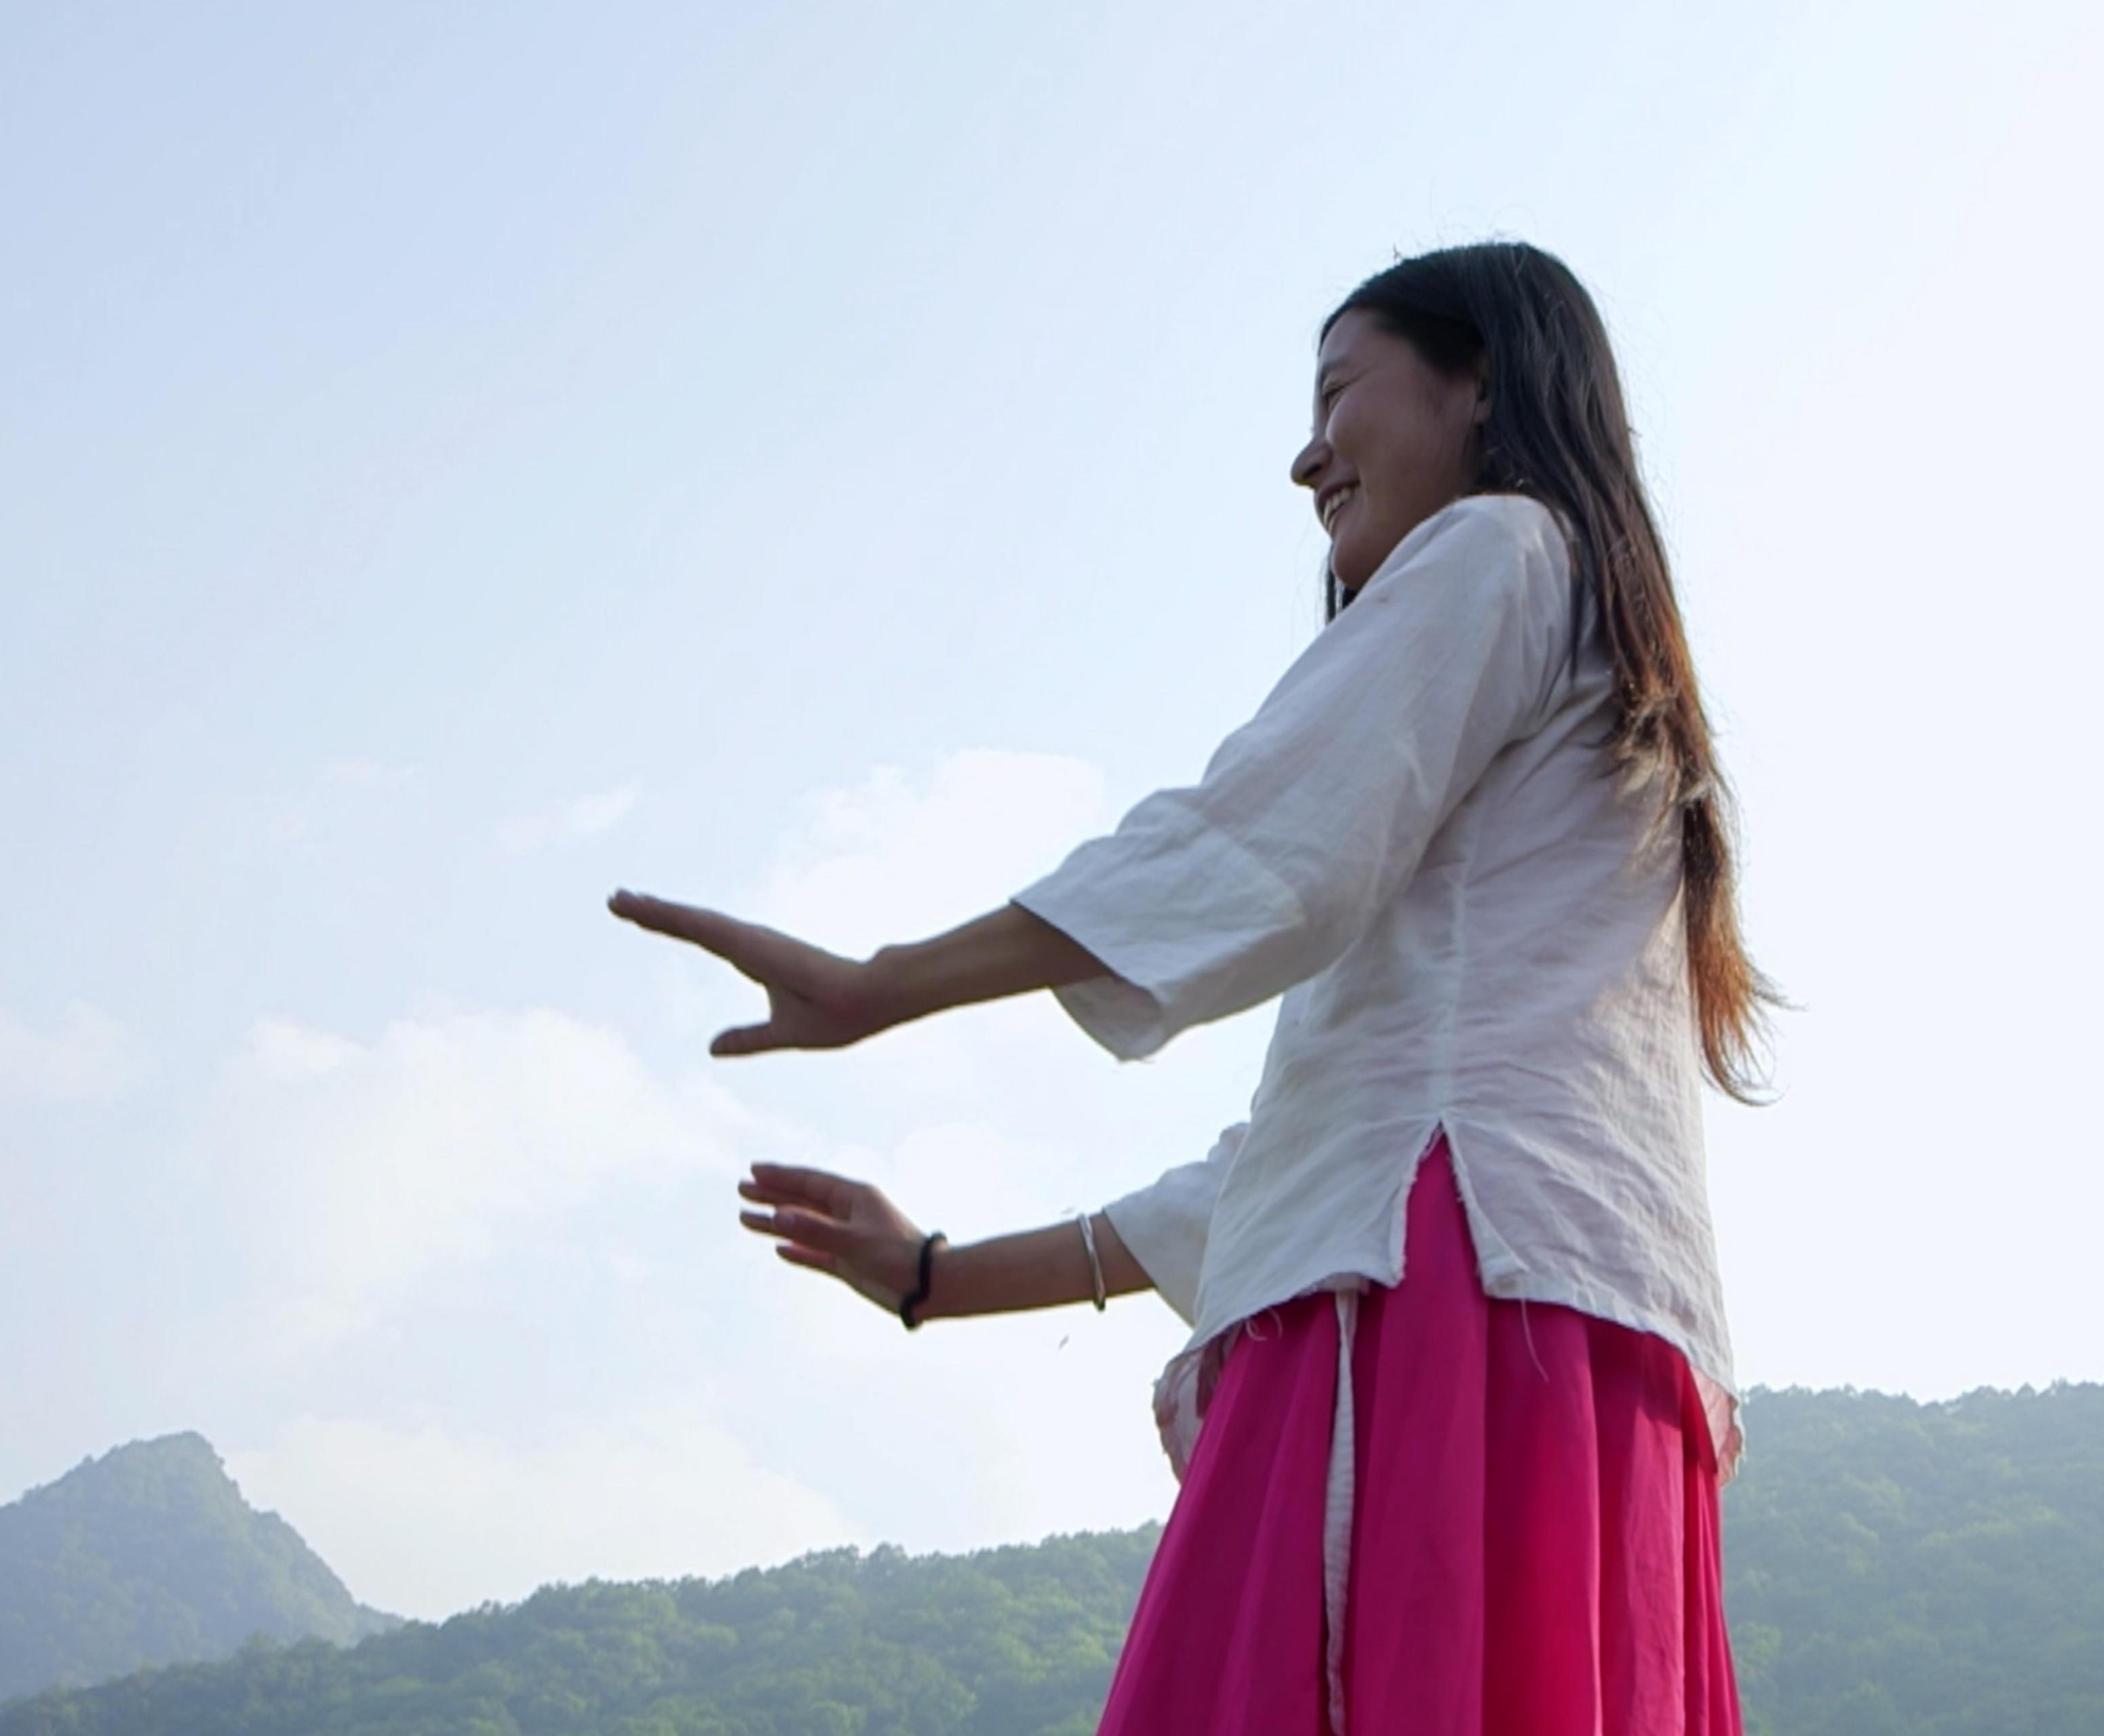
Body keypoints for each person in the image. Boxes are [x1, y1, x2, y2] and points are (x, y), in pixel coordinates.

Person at [610, 239, 1775, 1735]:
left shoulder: (1498, 548)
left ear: (1479, 380)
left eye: (1339, 392)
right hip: (1581, 1355)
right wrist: (934, 1275)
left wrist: (881, 984)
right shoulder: (1605, 746)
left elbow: (1262, 845)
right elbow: (1293, 1162)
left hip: (1452, 1320)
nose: (1307, 458)